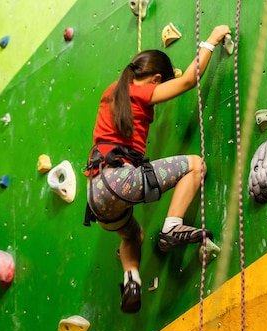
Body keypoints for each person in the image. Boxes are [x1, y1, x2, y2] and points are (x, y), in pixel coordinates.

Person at [84, 25, 231, 314]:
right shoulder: (141, 92)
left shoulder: (112, 92)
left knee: (131, 236)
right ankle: (171, 228)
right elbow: (189, 80)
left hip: (96, 195)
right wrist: (211, 40)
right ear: (155, 79)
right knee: (195, 165)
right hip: (120, 179)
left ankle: (132, 279)